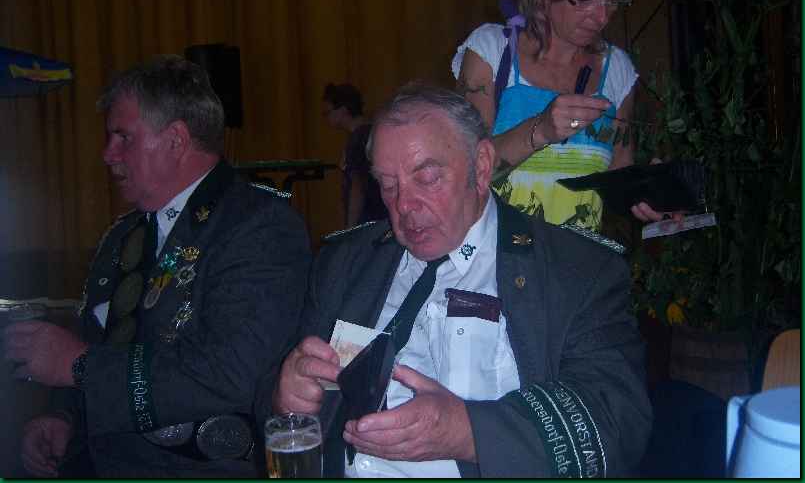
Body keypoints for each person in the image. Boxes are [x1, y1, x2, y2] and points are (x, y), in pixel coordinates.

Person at [268, 84, 651, 477]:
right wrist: (286, 398)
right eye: (388, 185)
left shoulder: (574, 270)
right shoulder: (346, 262)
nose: (404, 205)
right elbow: (270, 397)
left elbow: (617, 419)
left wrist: (470, 432)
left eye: (427, 177)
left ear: (481, 167)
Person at [3, 55, 311, 477]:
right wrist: (64, 415)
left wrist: (81, 367)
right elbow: (98, 336)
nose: (108, 154)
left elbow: (232, 373)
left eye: (123, 137)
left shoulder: (259, 227)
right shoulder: (124, 234)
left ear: (176, 140)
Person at [453, 0, 670, 230]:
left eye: (613, 0)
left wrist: (646, 189)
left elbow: (617, 173)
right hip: (496, 260)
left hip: (577, 260)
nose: (602, 16)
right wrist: (540, 130)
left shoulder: (617, 71)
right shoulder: (491, 52)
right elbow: (465, 176)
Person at [322, 83, 387, 226]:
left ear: (343, 110)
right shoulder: (373, 132)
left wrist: (350, 228)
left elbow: (357, 187)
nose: (326, 118)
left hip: (368, 219)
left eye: (327, 113)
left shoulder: (358, 139)